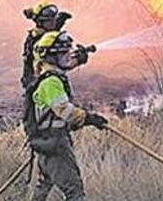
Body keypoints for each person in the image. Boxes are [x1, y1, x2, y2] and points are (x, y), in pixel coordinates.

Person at [24, 27, 107, 200]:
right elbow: (66, 112)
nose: (68, 56)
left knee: (41, 191)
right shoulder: (51, 83)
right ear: (51, 57)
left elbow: (64, 65)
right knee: (74, 192)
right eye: (63, 53)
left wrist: (80, 58)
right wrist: (89, 118)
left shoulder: (49, 76)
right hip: (55, 146)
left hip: (47, 143)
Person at [21, 1, 72, 89]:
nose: (53, 23)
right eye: (49, 21)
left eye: (54, 20)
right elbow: (29, 63)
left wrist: (62, 19)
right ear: (39, 22)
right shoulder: (35, 40)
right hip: (41, 80)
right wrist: (30, 84)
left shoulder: (49, 32)